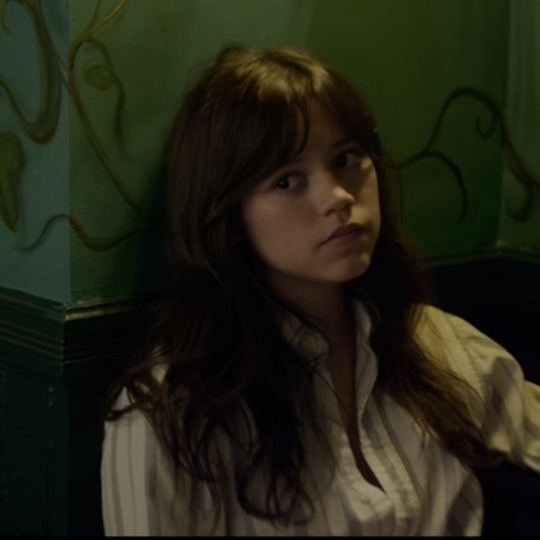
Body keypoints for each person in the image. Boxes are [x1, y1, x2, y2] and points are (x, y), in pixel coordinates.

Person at [100, 45, 540, 536]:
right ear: (230, 216)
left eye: (347, 159)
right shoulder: (170, 411)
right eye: (288, 180)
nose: (338, 196)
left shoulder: (435, 343)